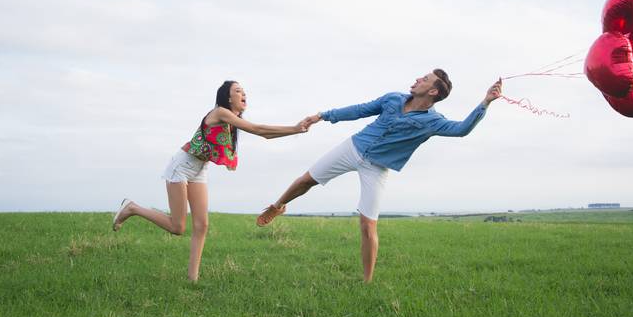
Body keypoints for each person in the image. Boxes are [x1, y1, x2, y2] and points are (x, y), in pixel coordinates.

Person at [256, 70, 502, 282]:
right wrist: (323, 115)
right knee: (306, 181)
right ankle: (278, 206)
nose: (418, 79)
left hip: (377, 167)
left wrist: (486, 102)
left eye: (425, 79)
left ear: (433, 91)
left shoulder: (434, 121)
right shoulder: (393, 98)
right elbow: (360, 110)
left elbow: (461, 129)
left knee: (368, 225)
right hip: (353, 147)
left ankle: (367, 282)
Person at [112, 80, 310, 282]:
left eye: (244, 91)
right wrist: (295, 128)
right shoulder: (221, 112)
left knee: (202, 225)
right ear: (227, 98)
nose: (243, 94)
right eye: (238, 91)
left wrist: (296, 130)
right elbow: (259, 129)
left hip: (199, 169)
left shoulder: (232, 121)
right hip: (182, 166)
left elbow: (265, 135)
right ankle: (132, 208)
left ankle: (192, 279)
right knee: (177, 227)